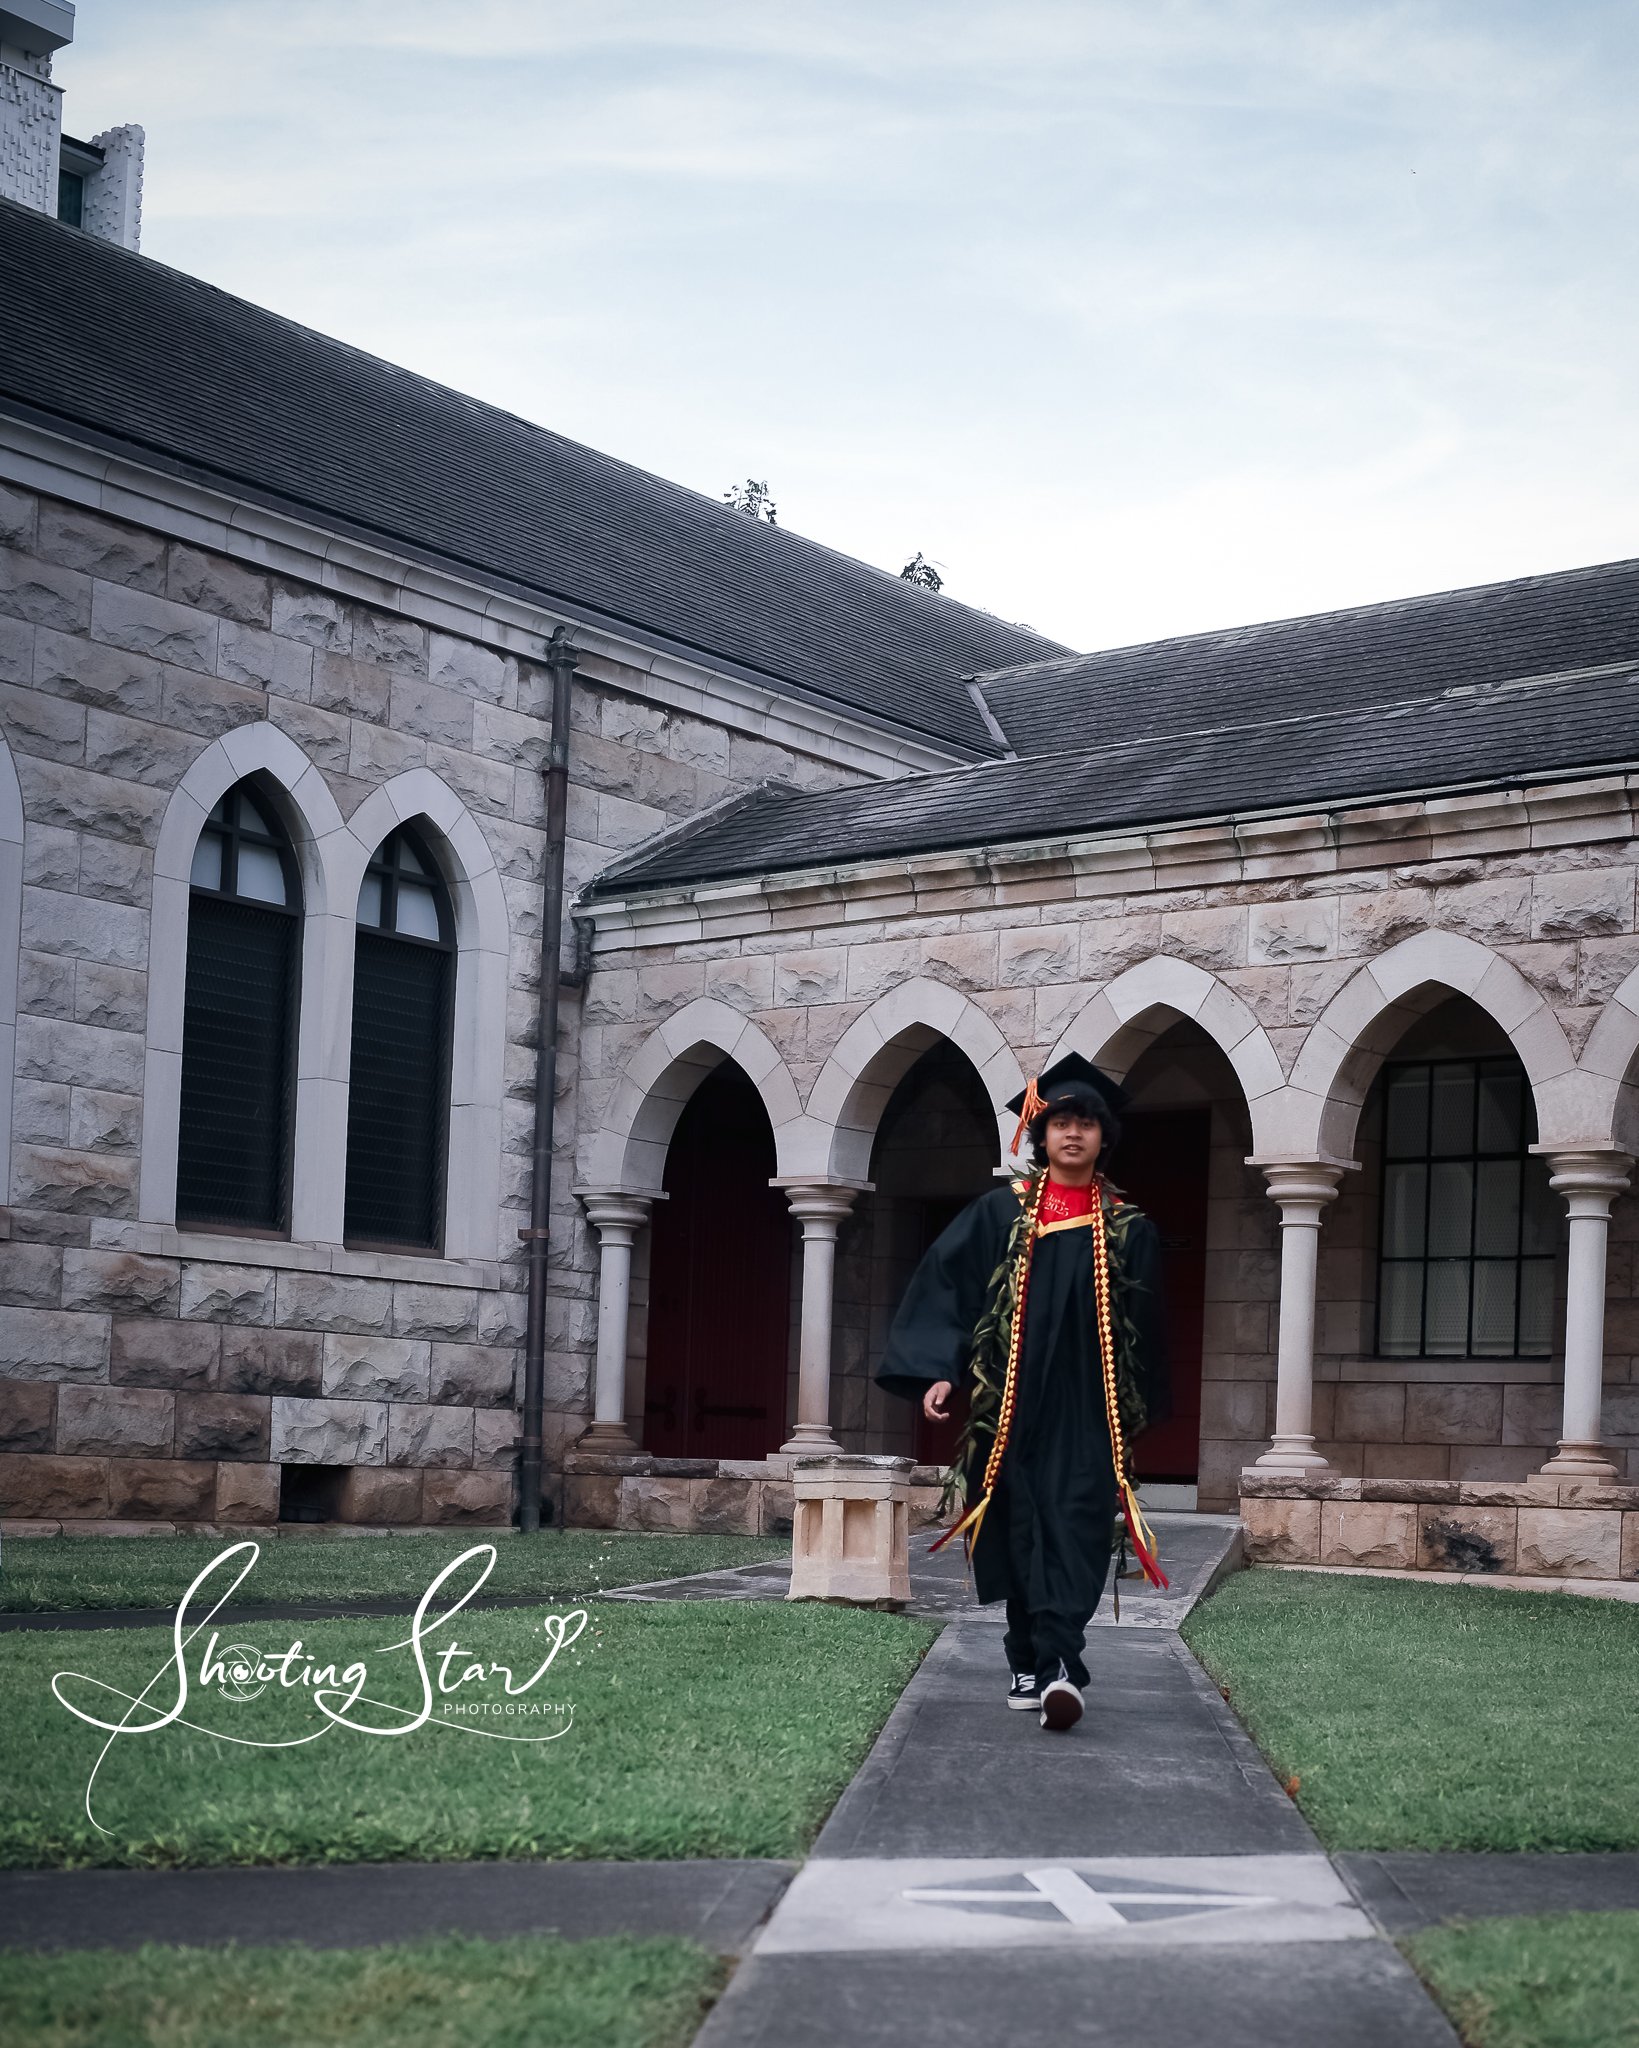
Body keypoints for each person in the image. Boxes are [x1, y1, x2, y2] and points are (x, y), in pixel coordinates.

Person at [875, 1054, 1169, 1732]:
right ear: (1041, 1135)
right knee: (1019, 1525)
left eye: (1086, 1123)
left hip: (1087, 1410)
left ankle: (1061, 1663)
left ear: (1104, 1136)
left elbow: (1148, 1331)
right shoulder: (998, 1213)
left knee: (1076, 1524)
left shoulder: (1126, 1226)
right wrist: (940, 1368)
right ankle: (1026, 1658)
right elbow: (950, 1290)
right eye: (1060, 1123)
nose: (1073, 1133)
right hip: (1009, 1408)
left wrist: (1135, 1413)